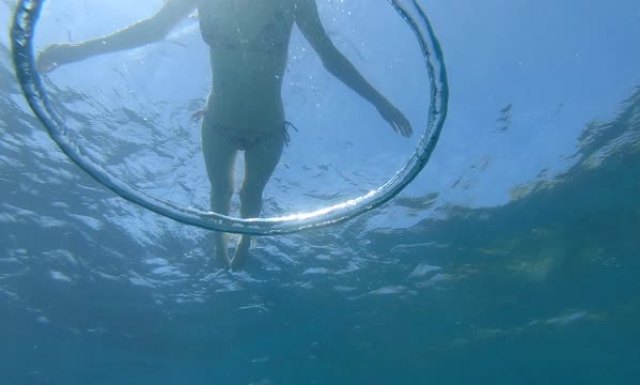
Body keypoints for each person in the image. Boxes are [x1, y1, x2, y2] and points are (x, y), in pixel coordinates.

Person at [38, 0, 412, 270]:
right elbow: (152, 29)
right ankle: (218, 247)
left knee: (251, 194)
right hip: (217, 121)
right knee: (220, 192)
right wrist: (74, 52)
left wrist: (380, 102)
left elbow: (328, 55)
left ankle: (245, 244)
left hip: (269, 130)